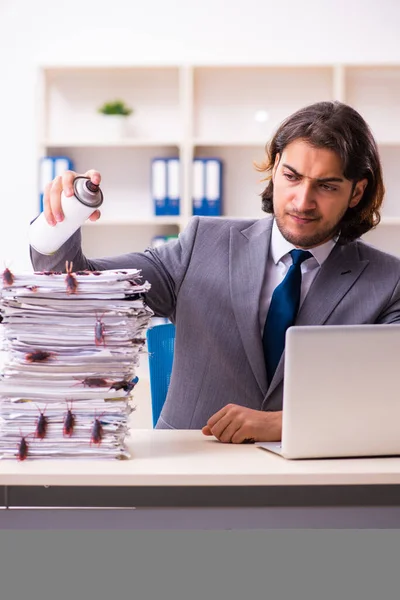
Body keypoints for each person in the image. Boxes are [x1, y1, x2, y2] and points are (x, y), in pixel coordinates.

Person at [30, 101, 400, 444]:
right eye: (292, 176)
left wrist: (282, 423)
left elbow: (390, 402)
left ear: (356, 192)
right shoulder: (202, 243)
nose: (302, 201)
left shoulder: (388, 283)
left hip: (318, 488)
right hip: (190, 481)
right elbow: (77, 289)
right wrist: (62, 220)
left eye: (326, 186)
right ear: (274, 170)